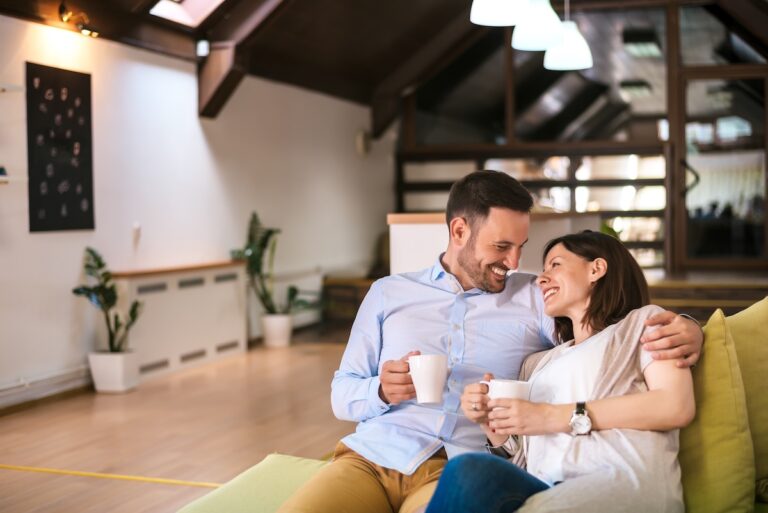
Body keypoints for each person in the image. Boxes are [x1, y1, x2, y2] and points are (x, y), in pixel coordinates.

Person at [277, 171, 702, 513]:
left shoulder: (535, 295)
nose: (514, 263)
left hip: (456, 466)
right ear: (459, 230)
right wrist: (381, 390)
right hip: (372, 456)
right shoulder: (389, 293)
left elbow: (601, 325)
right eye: (501, 246)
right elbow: (342, 393)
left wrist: (689, 327)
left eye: (521, 247)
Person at [425, 230, 695, 513]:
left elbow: (675, 405)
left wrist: (549, 416)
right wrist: (490, 423)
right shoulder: (539, 364)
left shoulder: (644, 325)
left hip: (618, 482)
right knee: (469, 470)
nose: (540, 278)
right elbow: (525, 463)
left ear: (596, 269)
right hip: (545, 488)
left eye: (555, 265)